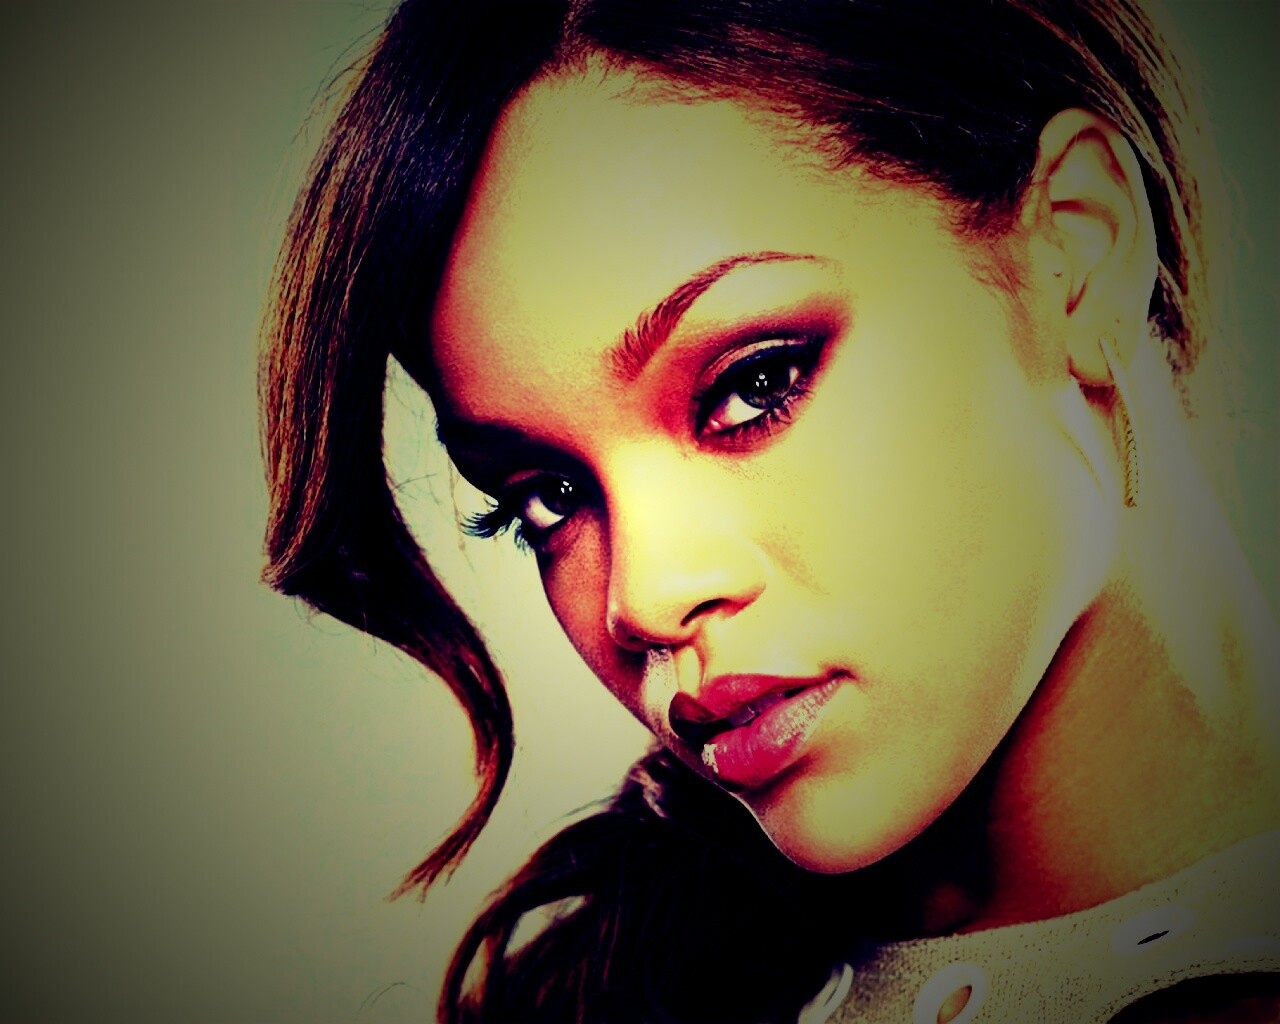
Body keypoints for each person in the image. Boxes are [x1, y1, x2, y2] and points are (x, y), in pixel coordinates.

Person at [259, 1, 1280, 1020]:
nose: (643, 598)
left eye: (754, 385)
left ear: (1076, 253)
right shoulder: (606, 984)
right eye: (548, 496)